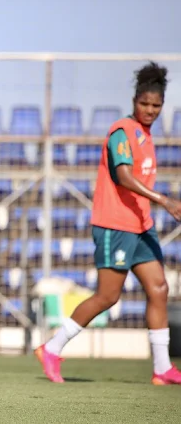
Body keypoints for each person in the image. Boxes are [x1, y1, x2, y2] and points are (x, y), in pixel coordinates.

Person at [36, 62, 181, 385]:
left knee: (159, 288)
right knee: (108, 296)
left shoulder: (146, 135)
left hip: (141, 225)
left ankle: (161, 368)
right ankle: (52, 348)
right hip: (115, 225)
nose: (150, 110)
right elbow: (123, 176)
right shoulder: (121, 131)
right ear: (134, 101)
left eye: (156, 106)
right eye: (144, 104)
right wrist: (166, 200)